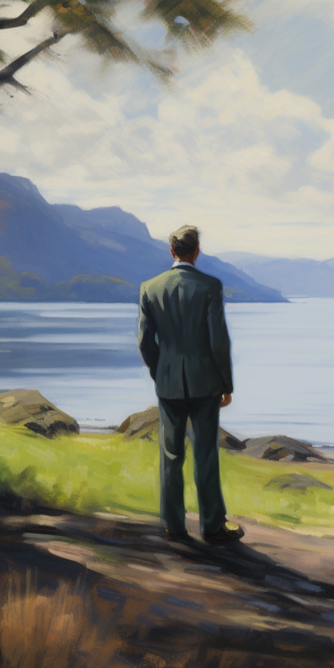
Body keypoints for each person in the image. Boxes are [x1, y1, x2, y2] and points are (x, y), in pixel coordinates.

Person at [137, 225, 245, 546]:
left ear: (172, 252)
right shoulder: (210, 286)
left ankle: (174, 525)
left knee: (170, 455)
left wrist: (162, 372)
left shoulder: (149, 288)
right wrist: (226, 383)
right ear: (196, 251)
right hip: (205, 384)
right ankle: (212, 526)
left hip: (169, 384)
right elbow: (218, 342)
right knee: (206, 455)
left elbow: (145, 342)